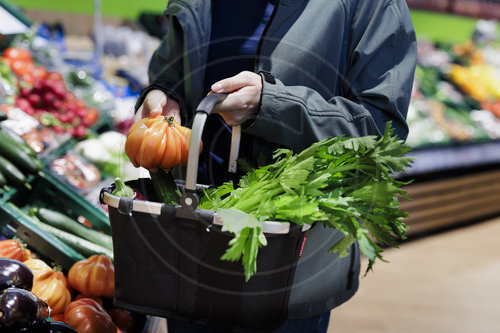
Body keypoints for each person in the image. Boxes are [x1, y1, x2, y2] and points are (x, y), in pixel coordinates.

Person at [134, 0, 417, 332]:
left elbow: (382, 134)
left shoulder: (371, 6)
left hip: (289, 263)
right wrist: (163, 94)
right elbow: (172, 69)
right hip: (188, 246)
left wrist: (271, 106)